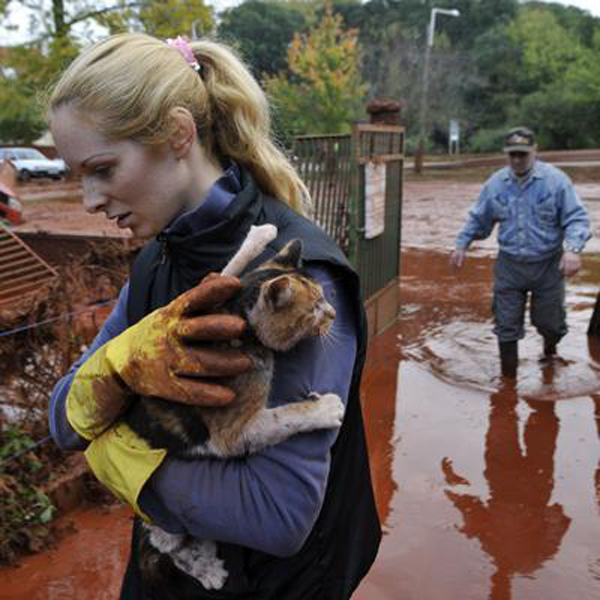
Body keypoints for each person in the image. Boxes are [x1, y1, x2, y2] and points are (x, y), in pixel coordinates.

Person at [47, 33, 381, 599]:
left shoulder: (304, 280)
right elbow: (61, 418)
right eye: (78, 174)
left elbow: (278, 515)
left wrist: (117, 456)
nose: (89, 200)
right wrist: (116, 369)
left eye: (102, 168)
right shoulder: (158, 257)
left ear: (178, 134)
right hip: (169, 575)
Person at [450, 127, 591, 379]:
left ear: (535, 152)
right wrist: (462, 244)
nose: (517, 160)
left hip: (548, 265)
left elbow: (577, 218)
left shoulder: (556, 182)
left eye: (522, 155)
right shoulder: (495, 184)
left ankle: (550, 350)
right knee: (506, 326)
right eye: (512, 154)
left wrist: (572, 250)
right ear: (506, 154)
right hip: (510, 266)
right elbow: (478, 219)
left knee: (551, 324)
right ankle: (508, 384)